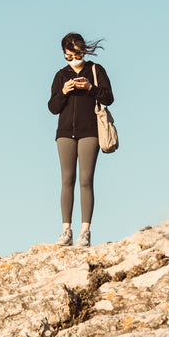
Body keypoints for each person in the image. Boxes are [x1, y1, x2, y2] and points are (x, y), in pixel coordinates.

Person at [47, 32, 114, 247]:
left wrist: (90, 88)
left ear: (82, 50)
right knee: (67, 180)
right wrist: (64, 91)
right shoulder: (60, 75)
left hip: (90, 131)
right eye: (67, 56)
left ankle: (85, 232)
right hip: (65, 132)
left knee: (86, 180)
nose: (72, 59)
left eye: (74, 54)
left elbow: (109, 98)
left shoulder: (96, 70)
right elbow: (53, 107)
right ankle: (66, 230)